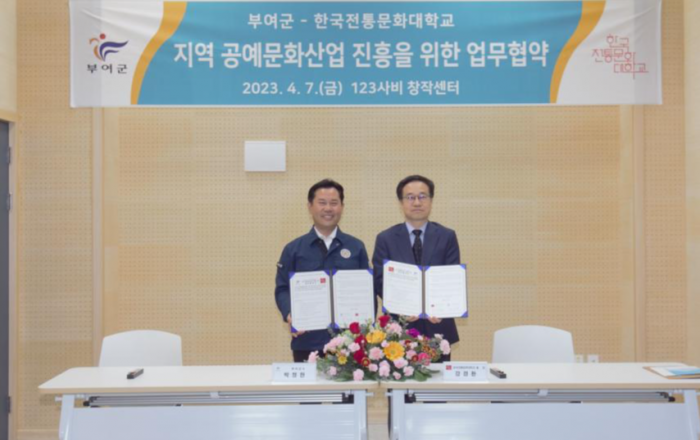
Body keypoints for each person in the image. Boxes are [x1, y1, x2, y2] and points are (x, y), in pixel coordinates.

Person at [275, 179, 370, 363]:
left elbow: (366, 291)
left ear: (342, 207)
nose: (328, 208)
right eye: (322, 202)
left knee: (349, 384)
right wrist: (289, 314)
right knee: (309, 383)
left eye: (334, 203)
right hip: (307, 340)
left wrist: (364, 330)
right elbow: (282, 289)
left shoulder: (356, 247)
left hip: (348, 343)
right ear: (310, 206)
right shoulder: (294, 249)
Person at [372, 175, 461, 361]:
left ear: (431, 200)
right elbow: (380, 281)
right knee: (398, 379)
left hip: (438, 326)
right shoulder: (386, 238)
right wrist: (401, 308)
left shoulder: (447, 236)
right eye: (410, 197)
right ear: (401, 202)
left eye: (422, 196)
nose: (417, 202)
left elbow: (452, 278)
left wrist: (441, 308)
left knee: (438, 378)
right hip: (400, 328)